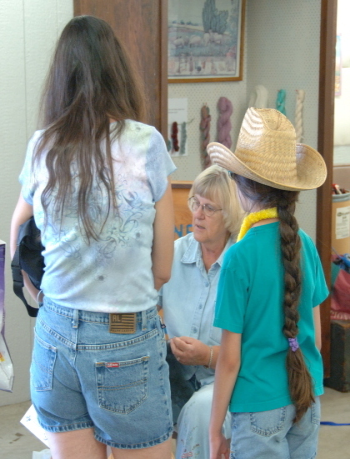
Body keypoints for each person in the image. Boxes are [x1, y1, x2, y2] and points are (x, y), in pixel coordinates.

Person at [10, 16, 176, 459]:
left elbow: (18, 234)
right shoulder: (146, 144)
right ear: (117, 71)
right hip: (124, 335)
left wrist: (41, 291)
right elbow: (163, 267)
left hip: (54, 335)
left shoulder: (42, 145)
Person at [207, 107, 329, 459]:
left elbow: (229, 359)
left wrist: (215, 431)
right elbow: (316, 341)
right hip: (307, 397)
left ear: (242, 187)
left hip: (258, 405)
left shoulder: (238, 257)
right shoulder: (304, 243)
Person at [159, 165, 244, 459]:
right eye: (195, 203)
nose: (197, 214)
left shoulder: (243, 264)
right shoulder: (173, 254)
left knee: (199, 411)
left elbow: (259, 353)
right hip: (173, 376)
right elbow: (138, 308)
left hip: (228, 381)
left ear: (231, 216)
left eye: (209, 208)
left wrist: (208, 356)